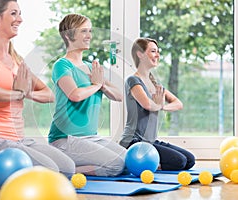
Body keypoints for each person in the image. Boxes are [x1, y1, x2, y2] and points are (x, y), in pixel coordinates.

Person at [0, 0, 75, 183]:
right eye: (14, 13)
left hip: (18, 141)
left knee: (67, 168)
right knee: (52, 171)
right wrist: (18, 92)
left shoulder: (17, 60)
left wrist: (27, 93)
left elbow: (49, 94)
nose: (20, 19)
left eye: (20, 14)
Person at [48, 13, 126, 177]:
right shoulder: (62, 65)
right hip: (65, 140)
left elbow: (118, 96)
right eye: (84, 31)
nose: (89, 36)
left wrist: (102, 85)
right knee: (116, 165)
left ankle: (68, 167)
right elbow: (75, 95)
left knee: (128, 160)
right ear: (69, 35)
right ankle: (62, 170)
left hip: (91, 138)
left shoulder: (92, 68)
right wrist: (96, 85)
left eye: (90, 31)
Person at [119, 38, 195, 171]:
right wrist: (158, 105)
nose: (157, 55)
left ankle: (152, 163)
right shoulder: (133, 80)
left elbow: (178, 103)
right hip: (133, 142)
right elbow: (147, 104)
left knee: (189, 160)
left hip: (151, 141)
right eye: (153, 51)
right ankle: (137, 163)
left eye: (158, 52)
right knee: (179, 161)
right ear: (140, 54)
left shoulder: (155, 84)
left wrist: (163, 106)